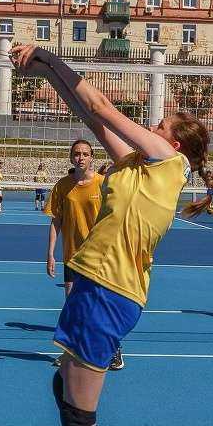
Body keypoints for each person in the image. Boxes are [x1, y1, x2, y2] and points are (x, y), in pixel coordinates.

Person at [10, 42, 209, 426]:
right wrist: (45, 71)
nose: (150, 125)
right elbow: (87, 113)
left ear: (174, 142)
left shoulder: (170, 164)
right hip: (92, 284)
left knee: (81, 417)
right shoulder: (134, 169)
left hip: (109, 293)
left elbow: (100, 105)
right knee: (62, 390)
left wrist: (51, 53)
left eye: (159, 122)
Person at [44, 139, 122, 372]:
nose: (80, 157)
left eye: (85, 154)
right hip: (72, 256)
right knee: (73, 307)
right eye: (76, 153)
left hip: (99, 257)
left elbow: (115, 217)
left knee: (99, 307)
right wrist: (50, 253)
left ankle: (113, 350)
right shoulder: (62, 186)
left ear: (91, 158)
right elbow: (56, 220)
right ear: (71, 157)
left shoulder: (102, 183)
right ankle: (71, 353)